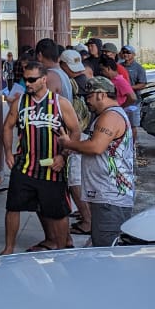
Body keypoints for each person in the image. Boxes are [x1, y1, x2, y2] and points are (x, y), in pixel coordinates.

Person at [0, 58, 79, 253]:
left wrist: (63, 156)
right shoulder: (20, 103)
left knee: (58, 211)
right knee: (13, 206)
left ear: (44, 79)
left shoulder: (60, 103)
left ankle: (61, 249)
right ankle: (9, 248)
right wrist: (8, 152)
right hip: (25, 164)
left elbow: (75, 131)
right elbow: (7, 127)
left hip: (52, 167)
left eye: (32, 80)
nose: (27, 84)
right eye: (25, 79)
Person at [60, 77, 136, 246]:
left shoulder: (110, 117)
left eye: (89, 97)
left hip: (110, 197)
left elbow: (96, 147)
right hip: (107, 196)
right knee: (102, 243)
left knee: (106, 249)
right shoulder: (110, 115)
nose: (87, 102)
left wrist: (68, 143)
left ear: (101, 95)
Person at [58, 46, 93, 239]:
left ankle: (87, 221)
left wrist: (71, 142)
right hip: (85, 134)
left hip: (79, 136)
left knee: (75, 180)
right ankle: (87, 216)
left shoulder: (74, 83)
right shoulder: (84, 79)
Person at [118, 45, 146, 133]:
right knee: (121, 124)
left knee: (132, 125)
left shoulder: (138, 68)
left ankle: (133, 145)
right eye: (124, 52)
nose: (126, 54)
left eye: (128, 52)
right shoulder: (118, 66)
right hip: (121, 101)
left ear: (133, 54)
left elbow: (142, 84)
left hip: (134, 102)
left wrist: (128, 88)